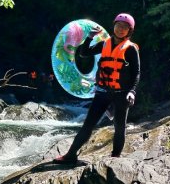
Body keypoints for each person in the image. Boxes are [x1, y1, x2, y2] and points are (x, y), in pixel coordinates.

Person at [54, 13, 140, 163]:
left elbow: (136, 73)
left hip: (122, 94)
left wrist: (132, 91)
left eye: (125, 27)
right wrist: (89, 37)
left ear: (129, 31)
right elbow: (83, 52)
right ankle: (71, 155)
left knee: (119, 126)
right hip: (103, 92)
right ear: (114, 26)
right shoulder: (105, 43)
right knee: (88, 124)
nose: (120, 29)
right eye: (118, 25)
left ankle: (115, 158)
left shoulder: (131, 49)